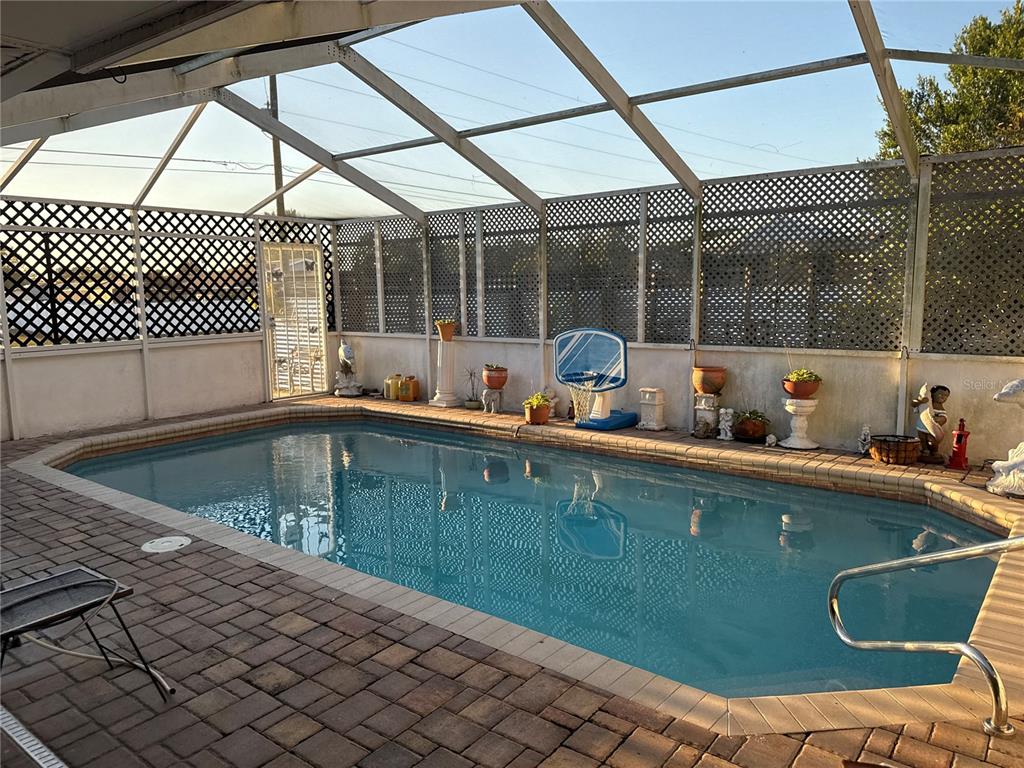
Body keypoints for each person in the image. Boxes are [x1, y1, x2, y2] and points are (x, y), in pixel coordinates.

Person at [912, 383, 950, 463]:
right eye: (940, 394)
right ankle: (925, 451)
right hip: (921, 425)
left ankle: (934, 451)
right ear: (932, 394)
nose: (943, 397)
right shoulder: (926, 403)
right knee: (922, 439)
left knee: (932, 440)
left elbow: (944, 418)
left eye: (946, 396)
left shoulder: (940, 408)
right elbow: (914, 404)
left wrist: (939, 419)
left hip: (932, 428)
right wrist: (920, 401)